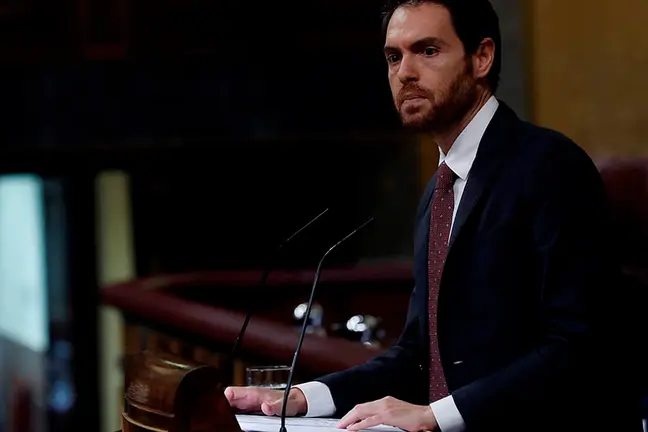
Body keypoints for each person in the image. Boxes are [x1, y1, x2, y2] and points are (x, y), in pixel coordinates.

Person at [224, 0, 642, 431]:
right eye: (393, 56)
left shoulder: (549, 166)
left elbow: (578, 345)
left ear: (482, 57)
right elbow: (419, 354)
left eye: (427, 51)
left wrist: (434, 416)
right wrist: (304, 397)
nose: (405, 72)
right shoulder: (439, 191)